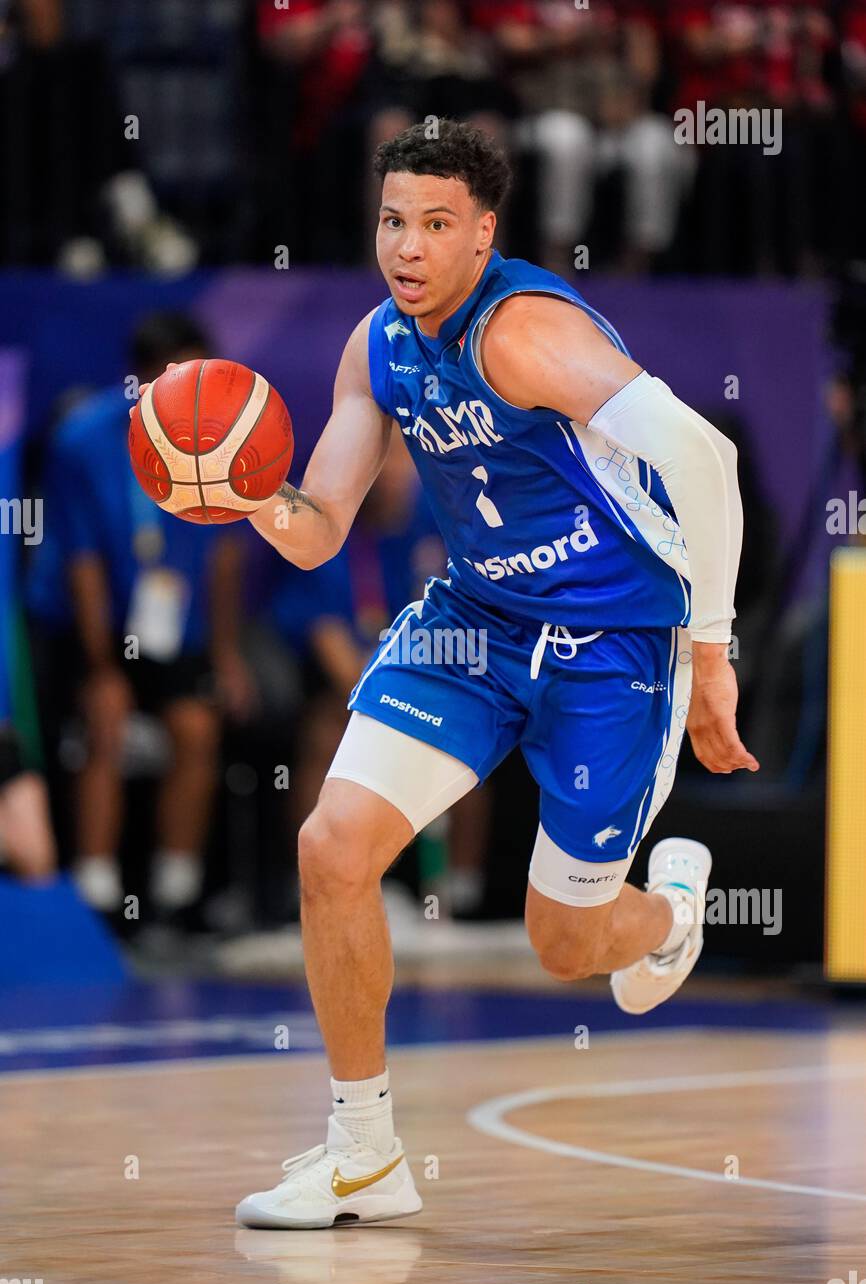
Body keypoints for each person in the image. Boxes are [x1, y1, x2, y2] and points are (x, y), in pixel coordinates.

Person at [140, 120, 757, 1228]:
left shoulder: (520, 337)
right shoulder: (377, 345)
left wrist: (709, 655)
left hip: (611, 642)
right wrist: (241, 494)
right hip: (471, 622)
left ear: (483, 236)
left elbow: (703, 458)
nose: (406, 248)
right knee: (331, 848)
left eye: (434, 225)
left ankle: (663, 915)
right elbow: (320, 525)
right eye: (390, 222)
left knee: (563, 942)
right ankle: (363, 1152)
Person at [67, 311, 253, 920]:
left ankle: (176, 897)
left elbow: (224, 557)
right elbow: (83, 566)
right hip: (100, 630)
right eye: (184, 374)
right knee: (108, 715)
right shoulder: (86, 441)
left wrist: (226, 656)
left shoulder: (222, 435)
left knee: (198, 729)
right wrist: (102, 667)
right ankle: (95, 896)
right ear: (145, 377)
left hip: (182, 631)